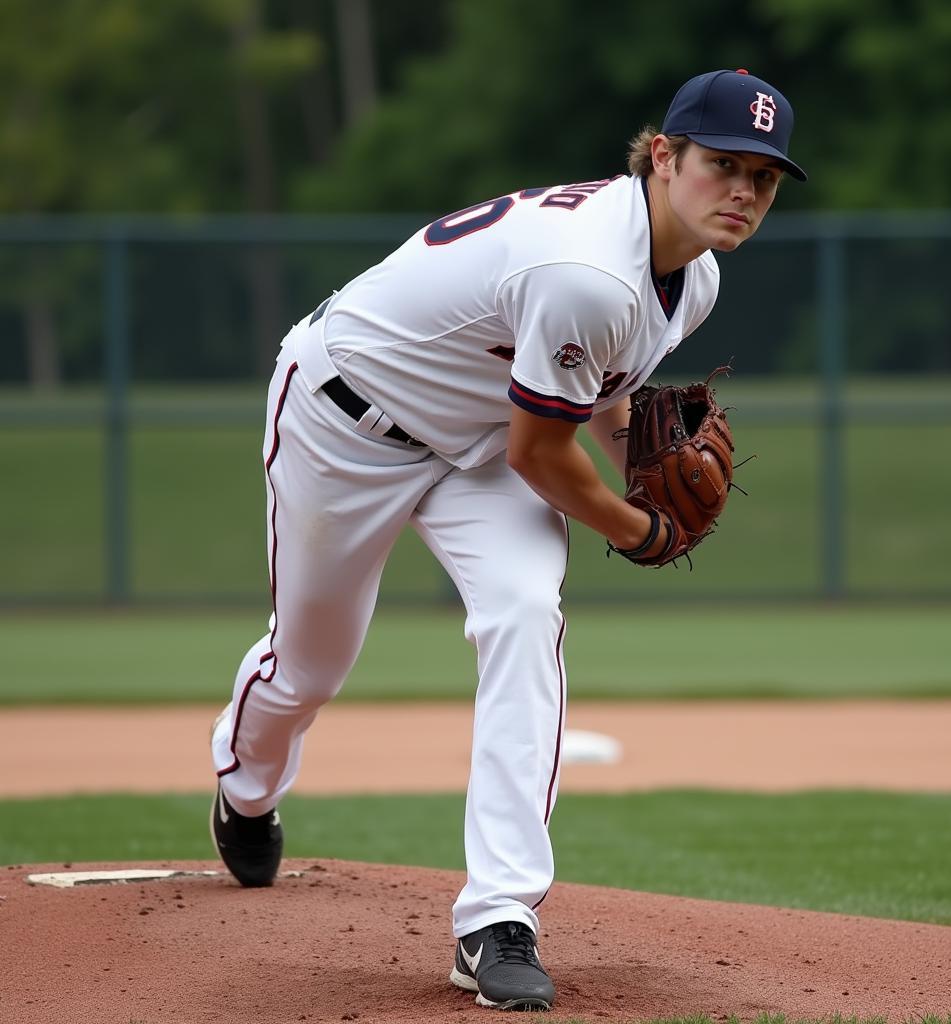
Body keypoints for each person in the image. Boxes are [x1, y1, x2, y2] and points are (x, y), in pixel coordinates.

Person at [210, 68, 805, 1012]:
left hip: (478, 443)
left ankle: (498, 921)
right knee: (309, 665)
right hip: (345, 421)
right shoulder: (586, 269)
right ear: (663, 156)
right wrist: (640, 526)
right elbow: (542, 452)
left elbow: (600, 399)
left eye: (763, 178)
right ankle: (245, 788)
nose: (742, 191)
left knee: (528, 614)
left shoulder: (694, 279)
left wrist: (639, 467)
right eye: (721, 165)